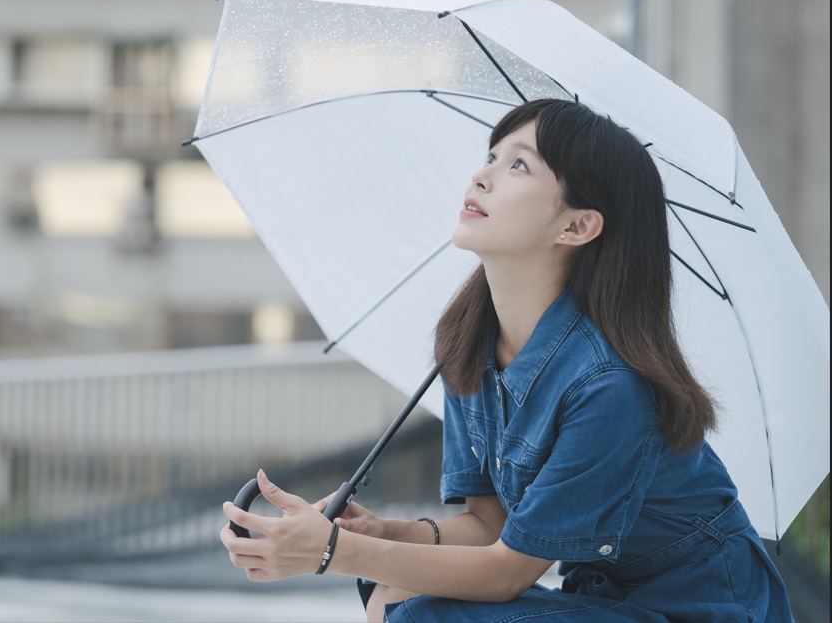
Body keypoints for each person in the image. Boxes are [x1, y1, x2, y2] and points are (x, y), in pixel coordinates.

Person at [220, 99, 794, 622]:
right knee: (393, 589)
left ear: (577, 225)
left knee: (420, 610)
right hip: (599, 601)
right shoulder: (467, 341)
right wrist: (379, 532)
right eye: (491, 156)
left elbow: (509, 571)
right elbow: (488, 526)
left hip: (700, 610)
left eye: (518, 166)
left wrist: (328, 551)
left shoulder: (610, 385)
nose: (481, 175)